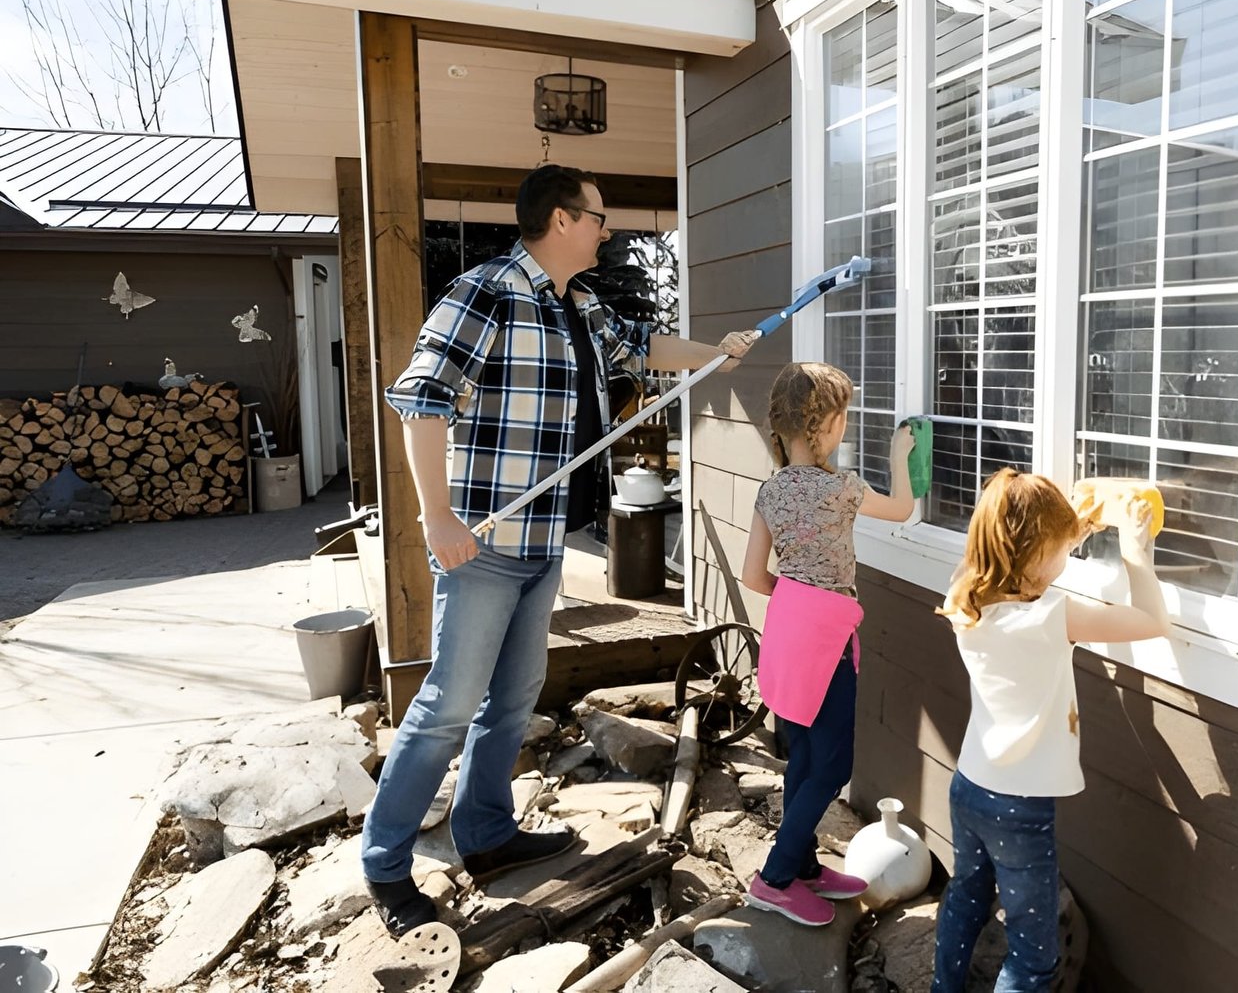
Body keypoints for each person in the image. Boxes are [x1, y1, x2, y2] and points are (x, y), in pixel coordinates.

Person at [363, 164, 755, 936]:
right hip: (486, 542)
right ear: (561, 219)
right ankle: (384, 865)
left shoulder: (577, 302)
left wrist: (718, 351)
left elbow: (642, 348)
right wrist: (435, 515)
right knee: (446, 709)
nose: (607, 230)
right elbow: (420, 399)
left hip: (542, 541)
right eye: (598, 217)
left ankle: (486, 835)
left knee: (511, 703)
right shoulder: (486, 292)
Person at [930, 470, 1170, 991]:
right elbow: (1152, 621)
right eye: (1059, 549)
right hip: (1020, 807)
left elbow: (993, 557)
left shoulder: (964, 599)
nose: (1066, 558)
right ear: (1037, 555)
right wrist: (1134, 551)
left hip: (969, 785)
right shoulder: (1052, 616)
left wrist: (1068, 532)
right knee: (1034, 957)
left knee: (967, 897)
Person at [738, 362, 915, 925]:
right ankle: (775, 877)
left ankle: (807, 866)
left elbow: (752, 576)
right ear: (830, 425)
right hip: (827, 639)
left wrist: (793, 597)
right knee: (833, 763)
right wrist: (899, 461)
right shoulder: (842, 487)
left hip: (787, 631)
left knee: (803, 758)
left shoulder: (770, 491)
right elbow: (904, 510)